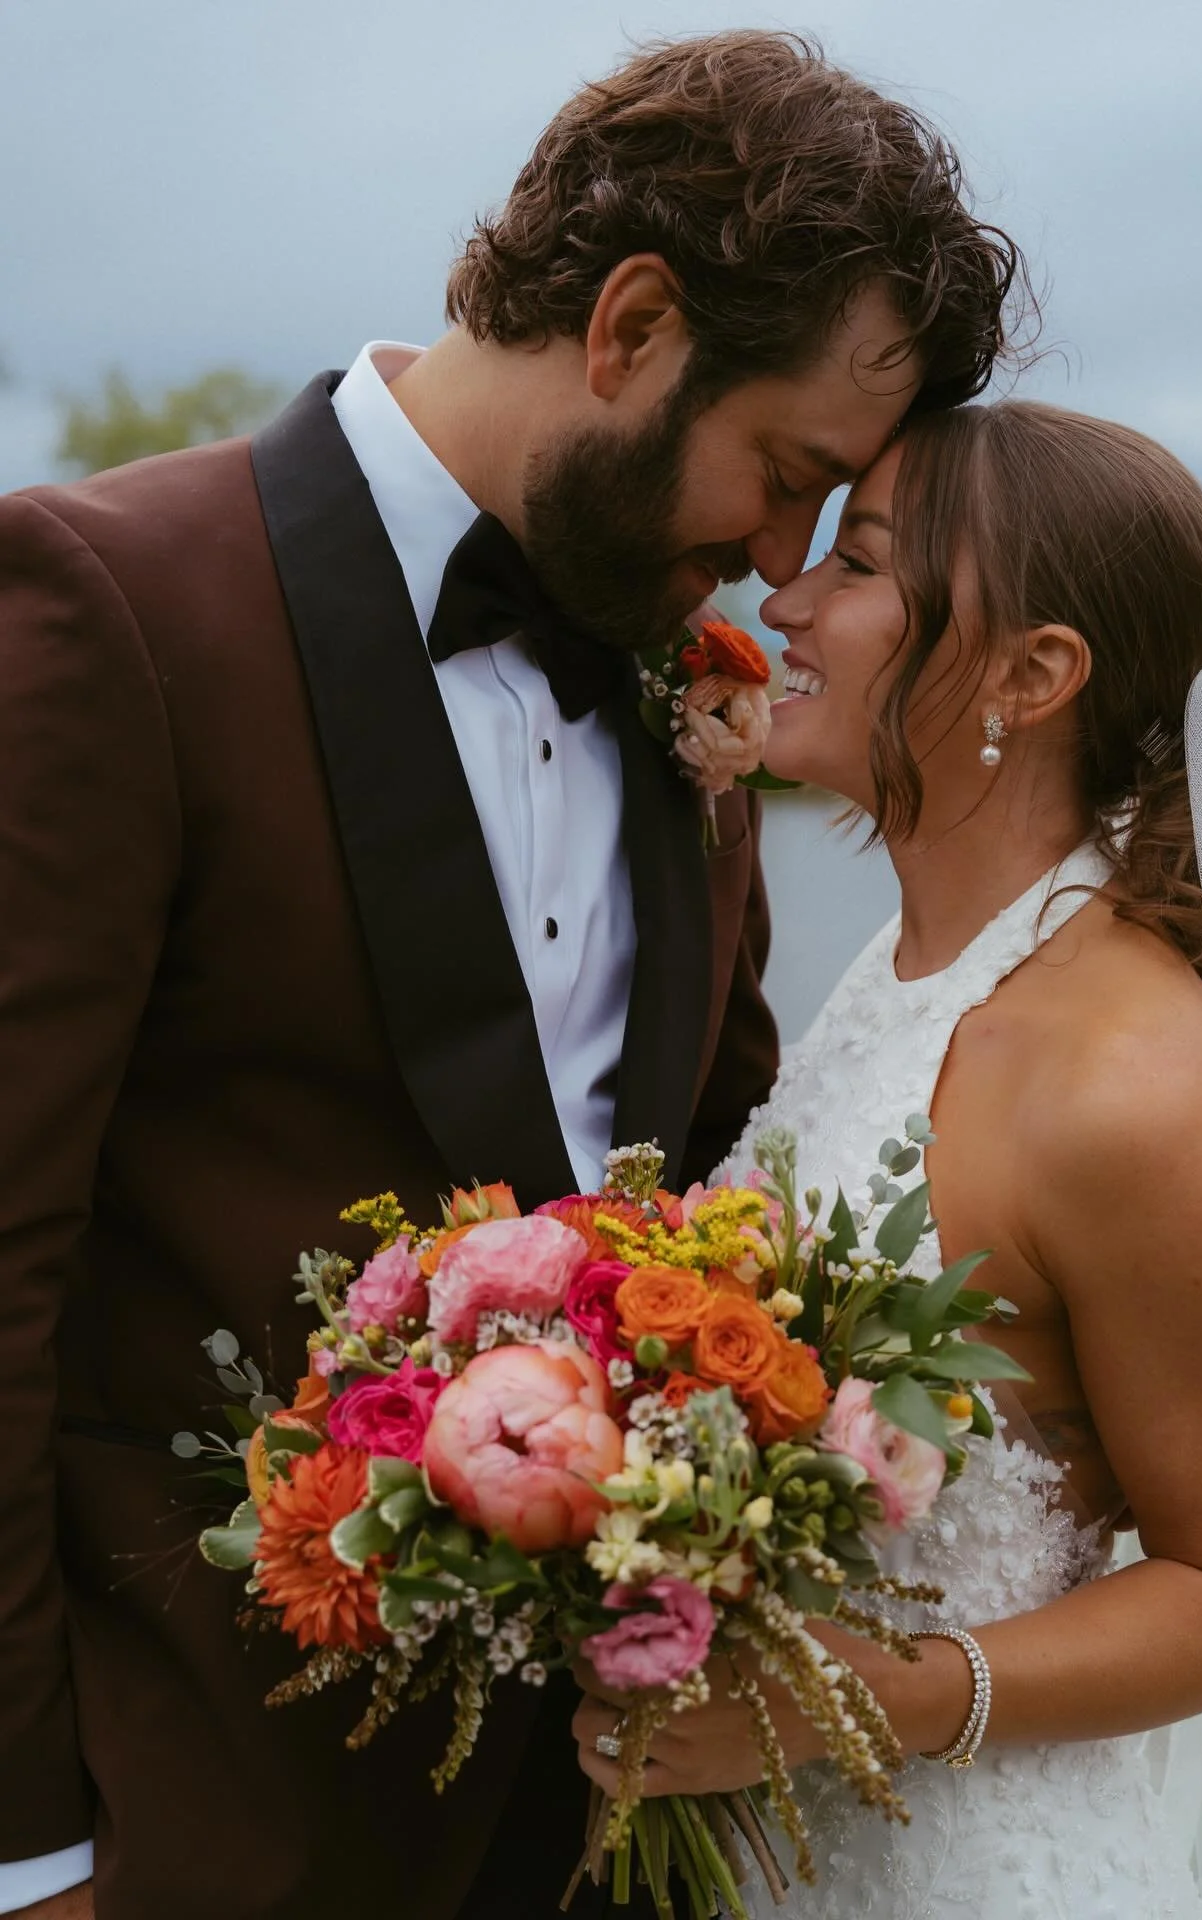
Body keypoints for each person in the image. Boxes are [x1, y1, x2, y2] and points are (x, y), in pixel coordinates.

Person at [0, 32, 1022, 1920]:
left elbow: (708, 1176)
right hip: (186, 1816)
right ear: (631, 326)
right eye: (783, 473)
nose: (775, 562)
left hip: (604, 1831)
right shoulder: (104, 600)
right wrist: (28, 1848)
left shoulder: (673, 659)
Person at [574, 402, 1202, 1915]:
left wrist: (876, 1698)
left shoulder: (1129, 1083)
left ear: (1035, 675)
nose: (785, 595)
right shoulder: (923, 967)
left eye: (859, 563)